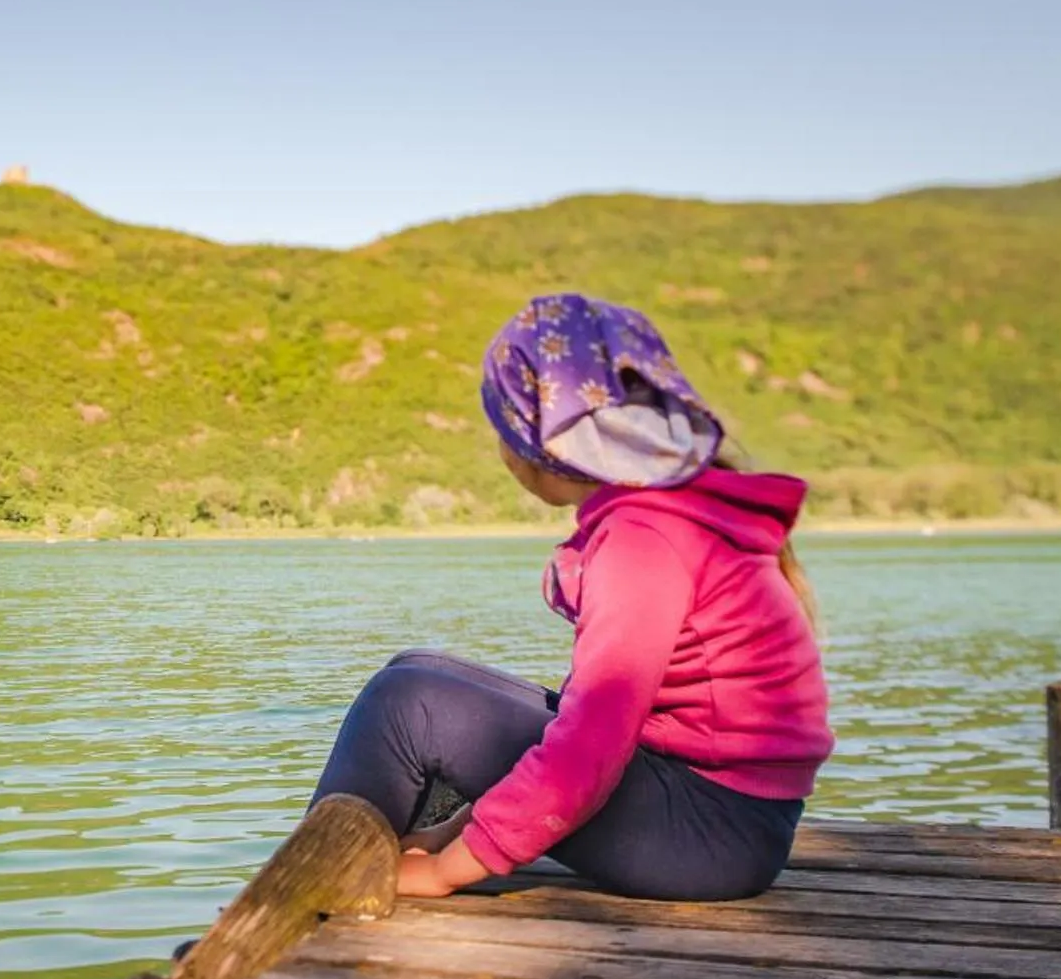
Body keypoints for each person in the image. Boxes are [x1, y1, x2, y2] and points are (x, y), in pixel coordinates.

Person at [319, 291, 833, 903]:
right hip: (731, 821)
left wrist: (447, 871)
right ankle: (353, 868)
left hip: (710, 834)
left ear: (543, 443)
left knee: (410, 703)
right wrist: (461, 830)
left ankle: (313, 889)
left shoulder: (642, 540)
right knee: (416, 669)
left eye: (502, 427)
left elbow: (590, 745)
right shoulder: (665, 517)